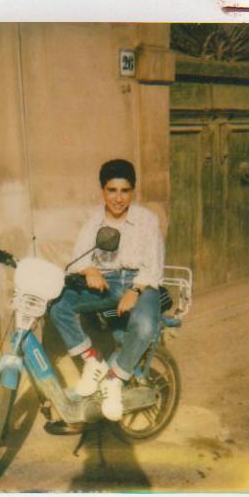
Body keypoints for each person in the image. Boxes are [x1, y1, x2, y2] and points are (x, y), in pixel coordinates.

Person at [49, 159, 165, 421]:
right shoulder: (94, 223)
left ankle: (115, 378)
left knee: (145, 325)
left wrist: (135, 291)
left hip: (142, 282)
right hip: (108, 283)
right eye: (112, 190)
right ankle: (94, 362)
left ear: (132, 191)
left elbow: (154, 265)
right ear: (103, 191)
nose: (118, 198)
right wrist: (89, 270)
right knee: (58, 306)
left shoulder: (147, 220)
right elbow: (78, 258)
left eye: (125, 191)